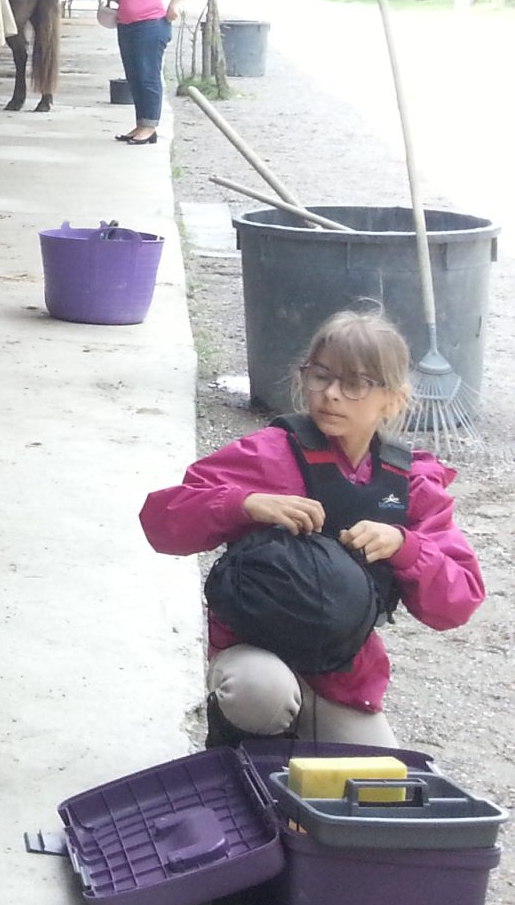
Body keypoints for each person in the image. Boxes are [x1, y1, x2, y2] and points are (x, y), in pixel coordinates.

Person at [140, 308, 485, 746]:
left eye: (356, 383)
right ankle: (237, 756)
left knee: (382, 792)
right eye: (320, 376)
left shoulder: (410, 482)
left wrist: (406, 546)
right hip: (254, 656)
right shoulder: (271, 453)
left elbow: (459, 601)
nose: (332, 394)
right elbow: (160, 521)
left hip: (342, 676)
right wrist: (243, 504)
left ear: (393, 399)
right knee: (260, 692)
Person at [106, 0, 194, 145]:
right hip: (126, 25)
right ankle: (141, 123)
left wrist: (174, 4)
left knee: (148, 76)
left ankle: (151, 125)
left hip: (151, 25)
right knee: (134, 77)